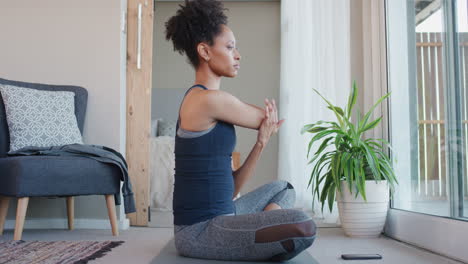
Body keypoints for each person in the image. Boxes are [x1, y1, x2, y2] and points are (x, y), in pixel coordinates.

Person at [165, 0, 316, 261]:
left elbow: (232, 189)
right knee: (303, 225)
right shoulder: (206, 100)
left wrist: (261, 144)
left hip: (226, 215)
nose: (238, 55)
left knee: (285, 188)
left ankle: (255, 235)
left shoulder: (215, 102)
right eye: (229, 47)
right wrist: (266, 124)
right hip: (199, 232)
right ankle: (257, 237)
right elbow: (266, 117)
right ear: (205, 51)